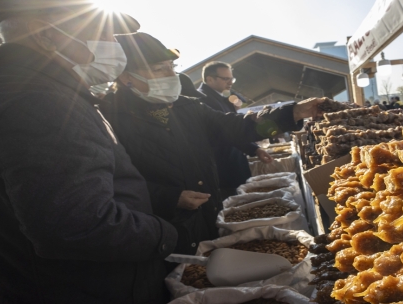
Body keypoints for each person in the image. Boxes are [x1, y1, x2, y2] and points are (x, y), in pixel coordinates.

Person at [0, 0, 179, 304]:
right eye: (98, 35)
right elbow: (77, 225)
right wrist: (163, 233)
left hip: (31, 303)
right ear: (44, 34)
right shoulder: (42, 101)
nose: (108, 48)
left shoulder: (6, 87)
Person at [100, 32, 324, 254]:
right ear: (125, 77)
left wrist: (292, 113)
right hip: (158, 231)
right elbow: (110, 182)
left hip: (206, 214)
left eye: (172, 67)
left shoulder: (187, 107)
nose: (171, 75)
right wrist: (169, 198)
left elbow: (236, 126)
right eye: (160, 69)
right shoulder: (107, 118)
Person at [197, 61, 272, 198]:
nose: (231, 82)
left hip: (233, 162)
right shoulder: (203, 100)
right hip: (223, 166)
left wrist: (254, 149)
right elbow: (227, 131)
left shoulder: (220, 97)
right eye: (226, 79)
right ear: (209, 79)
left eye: (232, 78)